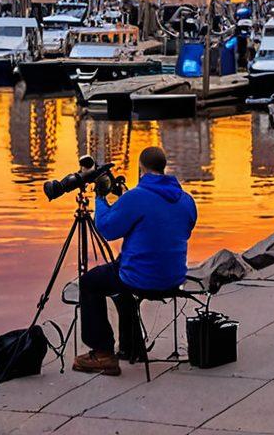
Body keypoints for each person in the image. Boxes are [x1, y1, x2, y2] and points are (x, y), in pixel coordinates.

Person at [75, 146, 197, 376]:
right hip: (174, 277)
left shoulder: (137, 197)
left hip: (141, 279)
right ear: (163, 167)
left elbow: (107, 229)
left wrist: (100, 197)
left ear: (141, 169)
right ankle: (132, 347)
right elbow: (177, 229)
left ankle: (102, 353)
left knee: (90, 282)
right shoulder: (186, 200)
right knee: (121, 279)